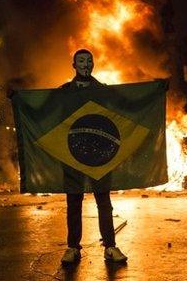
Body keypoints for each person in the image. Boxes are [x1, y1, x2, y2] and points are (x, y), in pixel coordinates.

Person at [59, 49, 127, 264]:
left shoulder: (102, 91)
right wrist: (19, 98)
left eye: (89, 61)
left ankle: (110, 246)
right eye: (81, 61)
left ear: (93, 65)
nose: (85, 65)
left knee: (104, 201)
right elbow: (46, 108)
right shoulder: (65, 92)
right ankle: (72, 247)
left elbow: (125, 104)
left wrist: (156, 89)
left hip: (99, 153)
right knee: (74, 202)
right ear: (73, 65)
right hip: (73, 152)